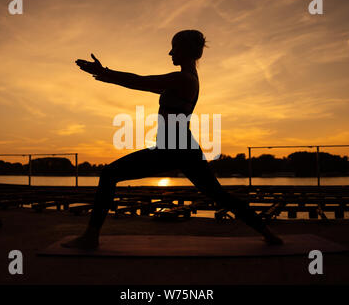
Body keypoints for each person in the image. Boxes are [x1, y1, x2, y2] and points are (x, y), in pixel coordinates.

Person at [62, 30, 283, 249]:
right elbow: (141, 84)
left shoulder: (183, 78)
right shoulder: (186, 78)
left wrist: (105, 71)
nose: (170, 53)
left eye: (174, 47)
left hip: (172, 149)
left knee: (109, 174)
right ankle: (268, 233)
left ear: (185, 50)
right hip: (183, 148)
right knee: (219, 195)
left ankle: (91, 237)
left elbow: (141, 81)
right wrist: (107, 76)